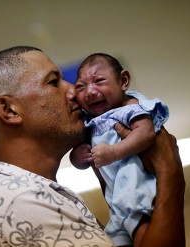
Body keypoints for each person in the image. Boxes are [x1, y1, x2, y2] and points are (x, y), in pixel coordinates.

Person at [0, 46, 185, 247]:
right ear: (9, 110)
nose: (73, 92)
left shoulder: (25, 194)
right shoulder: (20, 202)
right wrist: (169, 172)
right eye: (53, 81)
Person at [70, 53, 170, 246]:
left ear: (123, 81)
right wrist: (78, 157)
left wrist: (115, 152)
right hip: (116, 202)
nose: (90, 92)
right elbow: (82, 162)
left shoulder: (130, 107)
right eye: (81, 87)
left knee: (142, 232)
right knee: (116, 239)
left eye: (99, 81)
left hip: (137, 191)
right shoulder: (88, 122)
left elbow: (146, 133)